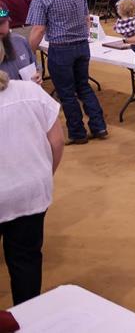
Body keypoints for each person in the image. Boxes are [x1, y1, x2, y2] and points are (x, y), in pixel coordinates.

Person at [0, 44, 64, 305]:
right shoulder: (31, 92)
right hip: (31, 191)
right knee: (26, 259)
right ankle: (28, 316)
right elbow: (57, 141)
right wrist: (43, 175)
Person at [25, 0, 107, 145]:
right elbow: (87, 20)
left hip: (61, 48)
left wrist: (30, 51)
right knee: (84, 86)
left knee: (67, 92)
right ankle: (99, 125)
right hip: (81, 45)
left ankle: (77, 133)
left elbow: (38, 29)